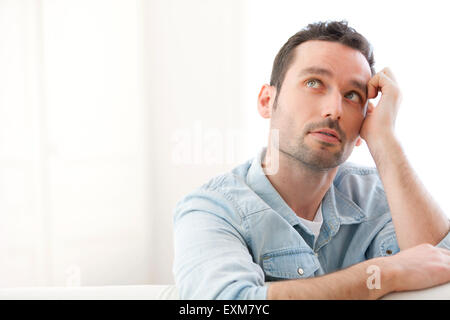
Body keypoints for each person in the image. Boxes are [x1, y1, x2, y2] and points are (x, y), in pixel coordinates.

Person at [172, 20, 450, 299]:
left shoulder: (378, 196)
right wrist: (383, 274)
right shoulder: (212, 209)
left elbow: (440, 266)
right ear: (267, 101)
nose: (334, 110)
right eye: (314, 83)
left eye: (352, 95)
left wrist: (385, 142)